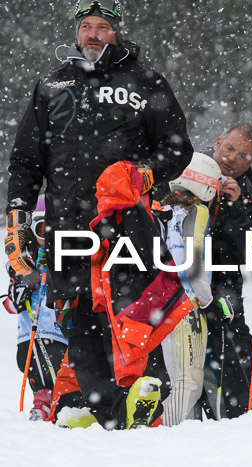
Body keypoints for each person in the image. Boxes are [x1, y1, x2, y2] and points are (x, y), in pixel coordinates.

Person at [5, 1, 193, 429]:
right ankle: (91, 403)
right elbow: (25, 163)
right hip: (65, 222)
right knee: (79, 312)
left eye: (102, 27)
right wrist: (17, 216)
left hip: (124, 220)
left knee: (131, 311)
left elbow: (178, 147)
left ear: (117, 31)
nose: (92, 34)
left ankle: (138, 396)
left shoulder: (145, 81)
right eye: (86, 26)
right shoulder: (51, 85)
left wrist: (145, 174)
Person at [201, 123, 252, 418]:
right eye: (229, 148)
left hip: (223, 290)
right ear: (217, 143)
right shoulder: (185, 170)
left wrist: (236, 207)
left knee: (241, 363)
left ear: (250, 162)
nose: (232, 158)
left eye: (242, 155)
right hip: (175, 285)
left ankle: (251, 419)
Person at [157, 152, 226, 425]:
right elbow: (193, 261)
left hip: (166, 305)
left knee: (180, 380)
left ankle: (166, 429)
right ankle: (166, 432)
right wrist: (209, 302)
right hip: (186, 305)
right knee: (190, 382)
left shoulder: (167, 211)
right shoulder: (197, 211)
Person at [3, 195, 68, 421]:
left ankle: (61, 405)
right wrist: (17, 296)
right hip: (29, 331)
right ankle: (41, 404)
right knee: (31, 365)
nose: (47, 237)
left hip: (58, 330)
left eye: (52, 229)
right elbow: (11, 305)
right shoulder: (20, 261)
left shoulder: (66, 257)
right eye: (42, 229)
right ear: (31, 230)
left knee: (60, 370)